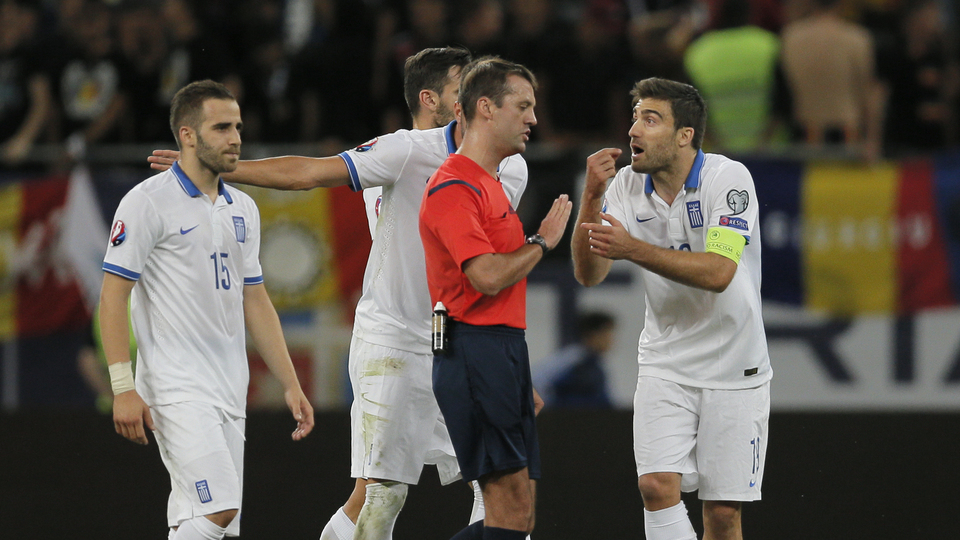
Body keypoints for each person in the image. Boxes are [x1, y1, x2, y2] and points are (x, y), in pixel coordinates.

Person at [148, 47, 529, 540]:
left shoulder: (511, 169)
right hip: (394, 340)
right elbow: (310, 173)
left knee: (495, 486)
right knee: (380, 495)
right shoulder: (405, 152)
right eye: (464, 88)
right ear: (434, 100)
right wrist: (218, 168)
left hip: (457, 345)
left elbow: (488, 269)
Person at [101, 80, 314, 540]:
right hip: (175, 387)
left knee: (207, 522)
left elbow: (254, 300)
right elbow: (112, 295)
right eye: (221, 127)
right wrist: (122, 386)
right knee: (219, 506)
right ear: (188, 135)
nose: (235, 137)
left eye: (237, 126)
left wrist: (291, 382)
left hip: (229, 389)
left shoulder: (245, 209)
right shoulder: (146, 202)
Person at [571, 78, 771, 540]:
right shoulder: (624, 185)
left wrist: (634, 249)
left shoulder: (729, 179)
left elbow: (719, 273)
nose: (634, 130)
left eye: (650, 118)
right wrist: (592, 196)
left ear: (686, 135)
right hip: (665, 362)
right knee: (656, 486)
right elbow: (589, 274)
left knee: (722, 516)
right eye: (635, 117)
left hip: (735, 368)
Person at [419, 57, 572, 540]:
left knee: (519, 512)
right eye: (523, 106)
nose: (533, 118)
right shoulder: (454, 185)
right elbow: (485, 276)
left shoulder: (489, 183)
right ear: (485, 108)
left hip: (499, 350)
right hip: (474, 350)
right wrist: (542, 243)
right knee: (507, 507)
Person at [532, 311, 615, 408]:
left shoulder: (596, 365)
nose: (611, 340)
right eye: (606, 334)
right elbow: (537, 381)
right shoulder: (571, 359)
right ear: (592, 334)